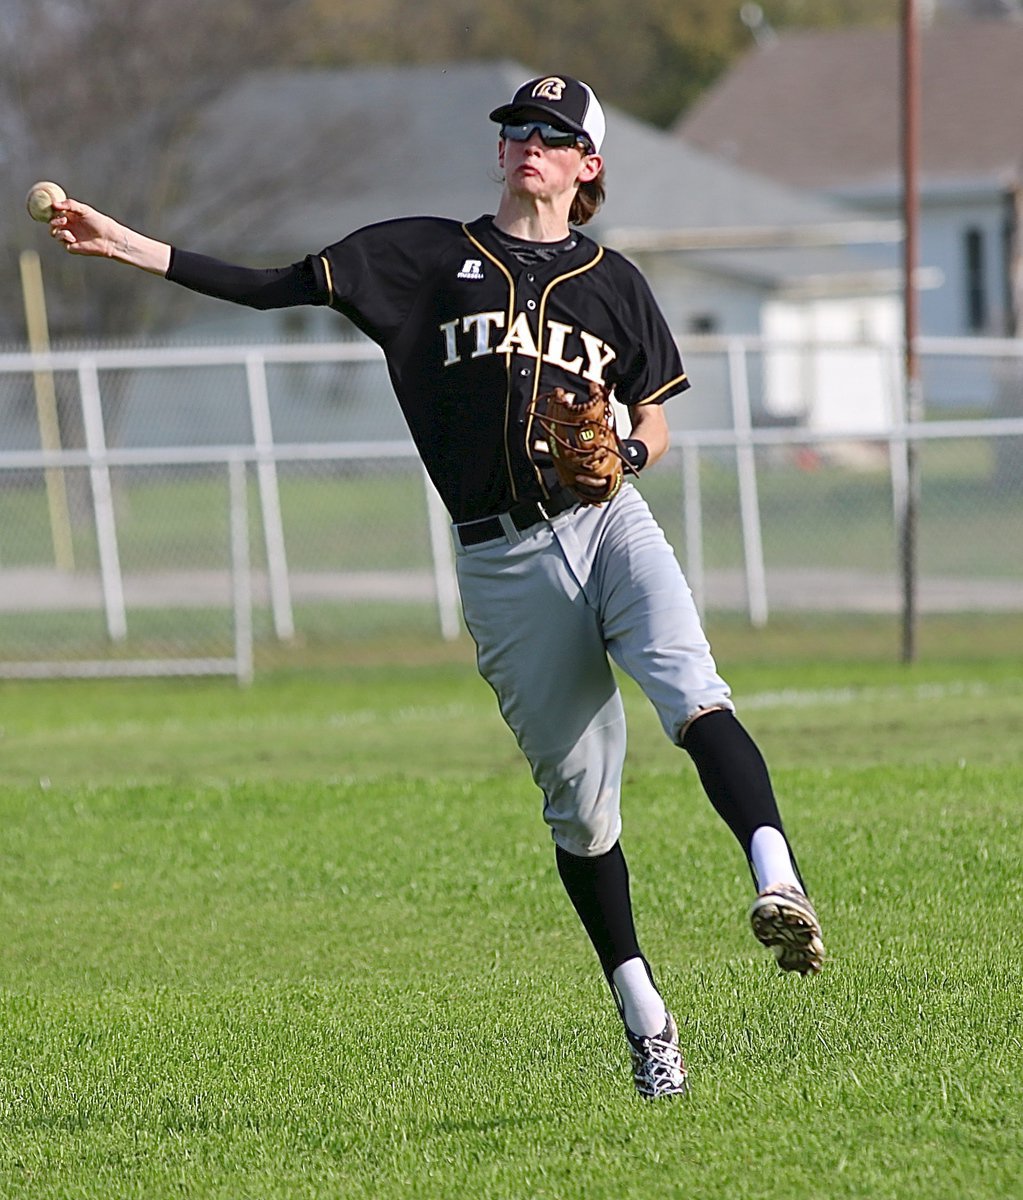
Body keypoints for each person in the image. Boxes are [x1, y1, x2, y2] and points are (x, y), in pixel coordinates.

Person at [47, 73, 824, 1100]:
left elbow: (655, 419)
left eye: (552, 133)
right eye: (516, 129)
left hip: (607, 525)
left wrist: (628, 456)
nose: (527, 143)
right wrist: (131, 246)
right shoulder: (420, 257)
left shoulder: (614, 281)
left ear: (587, 163)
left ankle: (779, 879)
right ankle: (649, 1021)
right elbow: (274, 283)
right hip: (502, 563)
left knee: (693, 692)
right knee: (584, 815)